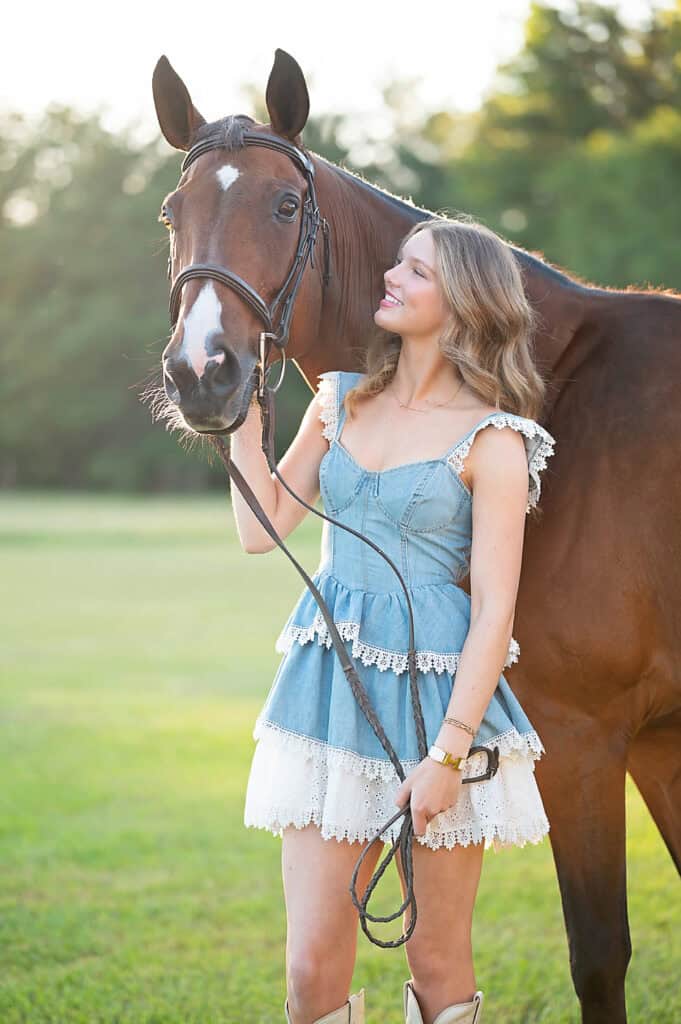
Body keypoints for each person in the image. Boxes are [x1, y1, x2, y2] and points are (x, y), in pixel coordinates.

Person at [232, 216, 557, 1024]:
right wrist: (238, 411)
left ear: (466, 304)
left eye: (416, 272)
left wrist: (448, 754)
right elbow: (259, 528)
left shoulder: (496, 440)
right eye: (397, 263)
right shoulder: (337, 399)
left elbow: (494, 610)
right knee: (311, 967)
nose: (391, 277)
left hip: (439, 708)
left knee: (436, 957)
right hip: (327, 690)